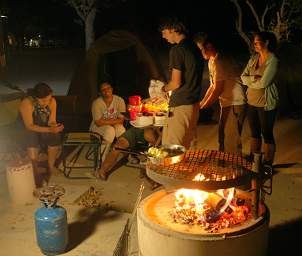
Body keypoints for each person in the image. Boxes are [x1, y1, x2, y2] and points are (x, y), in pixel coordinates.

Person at [193, 32, 247, 153]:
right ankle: (225, 167)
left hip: (235, 103)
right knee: (223, 137)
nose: (199, 53)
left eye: (200, 49)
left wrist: (203, 107)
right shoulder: (212, 61)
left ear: (209, 46)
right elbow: (212, 86)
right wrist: (201, 104)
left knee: (231, 140)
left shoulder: (221, 61)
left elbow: (218, 89)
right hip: (227, 103)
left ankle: (234, 169)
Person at [158, 17, 203, 149]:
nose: (162, 36)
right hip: (193, 105)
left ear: (173, 29)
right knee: (185, 148)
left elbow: (176, 83)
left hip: (181, 106)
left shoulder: (177, 50)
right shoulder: (194, 48)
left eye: (164, 31)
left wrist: (163, 89)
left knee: (171, 151)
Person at [241, 31, 279, 167]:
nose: (254, 44)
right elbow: (242, 77)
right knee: (254, 132)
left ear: (266, 42)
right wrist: (252, 78)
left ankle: (268, 163)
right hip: (251, 102)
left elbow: (264, 83)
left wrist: (249, 81)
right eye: (254, 42)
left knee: (266, 133)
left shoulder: (273, 60)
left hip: (265, 104)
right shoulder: (253, 59)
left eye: (257, 42)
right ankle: (254, 160)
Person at [19, 82, 64, 175]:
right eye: (43, 101)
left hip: (43, 128)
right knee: (31, 137)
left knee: (55, 136)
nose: (46, 103)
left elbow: (51, 121)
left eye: (48, 99)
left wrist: (55, 126)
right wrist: (49, 129)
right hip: (29, 130)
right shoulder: (27, 103)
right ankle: (35, 169)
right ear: (36, 98)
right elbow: (29, 126)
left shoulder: (52, 101)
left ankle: (51, 166)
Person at [96, 126, 162, 181]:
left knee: (157, 149)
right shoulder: (139, 131)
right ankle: (102, 171)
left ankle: (152, 173)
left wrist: (159, 136)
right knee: (118, 147)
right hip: (138, 130)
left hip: (155, 132)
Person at [89, 81, 126, 161]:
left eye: (108, 88)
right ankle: (102, 158)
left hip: (112, 124)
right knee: (110, 130)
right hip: (97, 127)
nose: (106, 91)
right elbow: (98, 123)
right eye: (103, 90)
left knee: (121, 130)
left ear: (112, 89)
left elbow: (122, 120)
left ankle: (125, 154)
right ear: (100, 93)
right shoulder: (96, 103)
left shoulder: (119, 100)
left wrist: (107, 121)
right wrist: (114, 121)